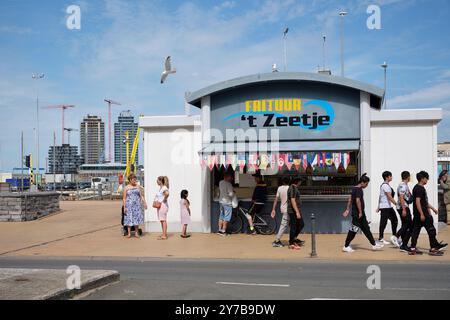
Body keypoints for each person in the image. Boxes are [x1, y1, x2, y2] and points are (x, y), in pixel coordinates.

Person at [409, 171, 448, 256]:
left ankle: (413, 248)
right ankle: (433, 249)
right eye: (426, 178)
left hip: (418, 214)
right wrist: (422, 214)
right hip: (423, 214)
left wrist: (433, 209)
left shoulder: (416, 187)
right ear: (422, 179)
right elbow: (417, 202)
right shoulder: (420, 188)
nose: (427, 180)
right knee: (431, 231)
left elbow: (424, 202)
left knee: (416, 231)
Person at [343, 174, 384, 252]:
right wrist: (360, 212)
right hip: (358, 214)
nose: (367, 185)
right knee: (354, 229)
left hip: (360, 214)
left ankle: (374, 244)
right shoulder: (358, 190)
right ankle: (346, 246)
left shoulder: (354, 189)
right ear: (362, 182)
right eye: (366, 184)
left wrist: (347, 209)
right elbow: (357, 200)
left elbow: (350, 200)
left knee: (366, 229)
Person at [376, 171, 399, 247]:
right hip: (385, 207)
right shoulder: (385, 186)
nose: (391, 177)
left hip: (387, 206)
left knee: (394, 220)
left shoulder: (387, 185)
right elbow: (389, 196)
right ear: (387, 177)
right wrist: (396, 204)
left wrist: (378, 206)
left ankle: (394, 236)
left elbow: (380, 196)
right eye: (390, 176)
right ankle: (381, 238)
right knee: (383, 222)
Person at [123, 173, 147, 238]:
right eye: (133, 179)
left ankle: (136, 233)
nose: (135, 180)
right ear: (130, 180)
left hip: (137, 205)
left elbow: (141, 196)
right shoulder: (126, 187)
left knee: (136, 218)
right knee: (129, 218)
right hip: (129, 205)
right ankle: (129, 233)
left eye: (135, 179)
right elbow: (124, 198)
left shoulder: (137, 186)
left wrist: (144, 203)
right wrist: (124, 207)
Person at [395, 171, 414, 253]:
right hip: (404, 207)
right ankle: (396, 236)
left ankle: (403, 243)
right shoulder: (403, 186)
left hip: (403, 207)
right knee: (409, 224)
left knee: (405, 224)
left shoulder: (404, 185)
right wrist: (403, 209)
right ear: (408, 177)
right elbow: (401, 197)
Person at [271, 177, 290, 247]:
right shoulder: (290, 188)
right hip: (288, 209)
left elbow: (276, 200)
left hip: (283, 208)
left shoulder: (279, 188)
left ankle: (293, 239)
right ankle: (277, 240)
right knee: (284, 225)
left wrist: (273, 209)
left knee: (289, 224)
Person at [287, 177, 304, 250]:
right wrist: (297, 212)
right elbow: (293, 200)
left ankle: (294, 239)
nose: (301, 183)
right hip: (293, 211)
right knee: (295, 226)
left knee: (299, 225)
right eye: (300, 181)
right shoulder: (293, 188)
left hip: (295, 210)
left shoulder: (294, 188)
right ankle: (291, 242)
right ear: (298, 181)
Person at [155, 176, 170, 240]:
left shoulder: (164, 187)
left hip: (163, 206)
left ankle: (164, 235)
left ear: (161, 181)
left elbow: (167, 193)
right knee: (162, 220)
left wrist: (164, 200)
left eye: (157, 180)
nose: (156, 181)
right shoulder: (161, 188)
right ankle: (164, 233)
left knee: (163, 220)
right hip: (161, 206)